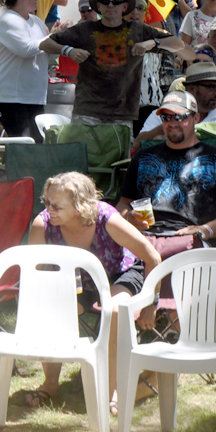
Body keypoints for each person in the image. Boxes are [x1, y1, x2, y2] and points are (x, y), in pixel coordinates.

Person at [27, 172, 161, 415]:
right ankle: (50, 383)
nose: (49, 210)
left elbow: (152, 257)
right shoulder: (43, 223)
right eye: (46, 202)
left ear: (80, 206)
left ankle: (112, 391)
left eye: (56, 206)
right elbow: (34, 273)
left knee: (114, 312)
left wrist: (151, 304)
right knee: (51, 311)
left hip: (119, 273)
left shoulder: (107, 218)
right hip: (77, 278)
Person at [41, 0, 196, 126]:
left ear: (124, 6)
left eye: (116, 1)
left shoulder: (138, 30)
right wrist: (68, 51)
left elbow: (182, 47)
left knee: (121, 155)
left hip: (123, 114)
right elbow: (44, 43)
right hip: (87, 111)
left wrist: (153, 43)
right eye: (105, 1)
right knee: (86, 154)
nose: (110, 5)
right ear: (98, 6)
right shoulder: (84, 29)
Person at [119, 90, 216, 241]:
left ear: (196, 118)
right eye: (166, 117)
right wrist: (129, 217)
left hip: (191, 241)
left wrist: (205, 230)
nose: (172, 123)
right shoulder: (143, 157)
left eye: (180, 117)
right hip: (145, 238)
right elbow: (124, 203)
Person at [0, 0, 51, 141]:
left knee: (36, 144)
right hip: (10, 96)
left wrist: (59, 39)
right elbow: (26, 49)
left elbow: (48, 52)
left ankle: (10, 166)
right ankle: (8, 166)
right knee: (23, 144)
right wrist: (53, 39)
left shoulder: (37, 21)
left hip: (33, 95)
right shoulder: (8, 20)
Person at [132, 62, 216, 151]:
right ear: (192, 88)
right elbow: (137, 146)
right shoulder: (162, 115)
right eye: (212, 87)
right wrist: (168, 126)